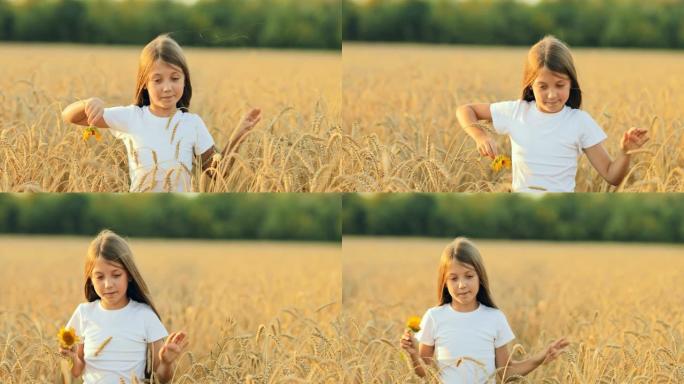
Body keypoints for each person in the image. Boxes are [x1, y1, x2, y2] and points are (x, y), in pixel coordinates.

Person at [62, 34, 261, 192]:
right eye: (157, 80)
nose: (167, 88)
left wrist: (239, 134)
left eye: (174, 78)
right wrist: (89, 103)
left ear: (185, 80)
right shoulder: (131, 117)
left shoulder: (192, 123)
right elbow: (69, 116)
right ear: (145, 84)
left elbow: (218, 172)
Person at [457, 35, 649, 192]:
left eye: (560, 85)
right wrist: (479, 136)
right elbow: (466, 110)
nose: (551, 94)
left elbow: (611, 175)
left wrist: (626, 152)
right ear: (530, 86)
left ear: (571, 83)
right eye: (542, 86)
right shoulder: (517, 111)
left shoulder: (579, 121)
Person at [400, 237, 568, 383]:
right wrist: (413, 354)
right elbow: (424, 372)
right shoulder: (434, 317)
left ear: (480, 277)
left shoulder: (495, 318)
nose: (462, 284)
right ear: (444, 282)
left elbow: (504, 373)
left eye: (469, 276)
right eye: (453, 278)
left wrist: (540, 358)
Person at [59, 230, 188, 383]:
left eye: (116, 275)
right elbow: (77, 371)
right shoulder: (83, 313)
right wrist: (71, 358)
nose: (108, 284)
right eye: (100, 277)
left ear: (130, 274)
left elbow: (161, 378)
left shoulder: (144, 315)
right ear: (90, 279)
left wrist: (166, 362)